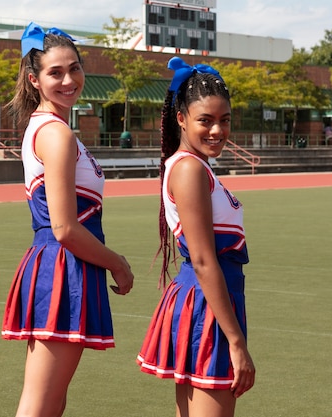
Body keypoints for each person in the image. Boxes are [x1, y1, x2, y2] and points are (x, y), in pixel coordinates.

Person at [1, 22, 135, 417]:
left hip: (65, 263)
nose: (68, 79)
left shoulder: (50, 128)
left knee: (52, 399)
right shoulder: (55, 134)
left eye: (74, 68)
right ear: (34, 79)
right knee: (41, 403)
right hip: (63, 264)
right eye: (55, 72)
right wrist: (118, 263)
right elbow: (63, 227)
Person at [136, 57, 256, 417]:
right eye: (205, 120)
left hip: (209, 300)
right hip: (207, 303)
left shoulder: (194, 166)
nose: (217, 130)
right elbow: (204, 261)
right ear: (182, 119)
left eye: (224, 120)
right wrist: (236, 342)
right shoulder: (188, 169)